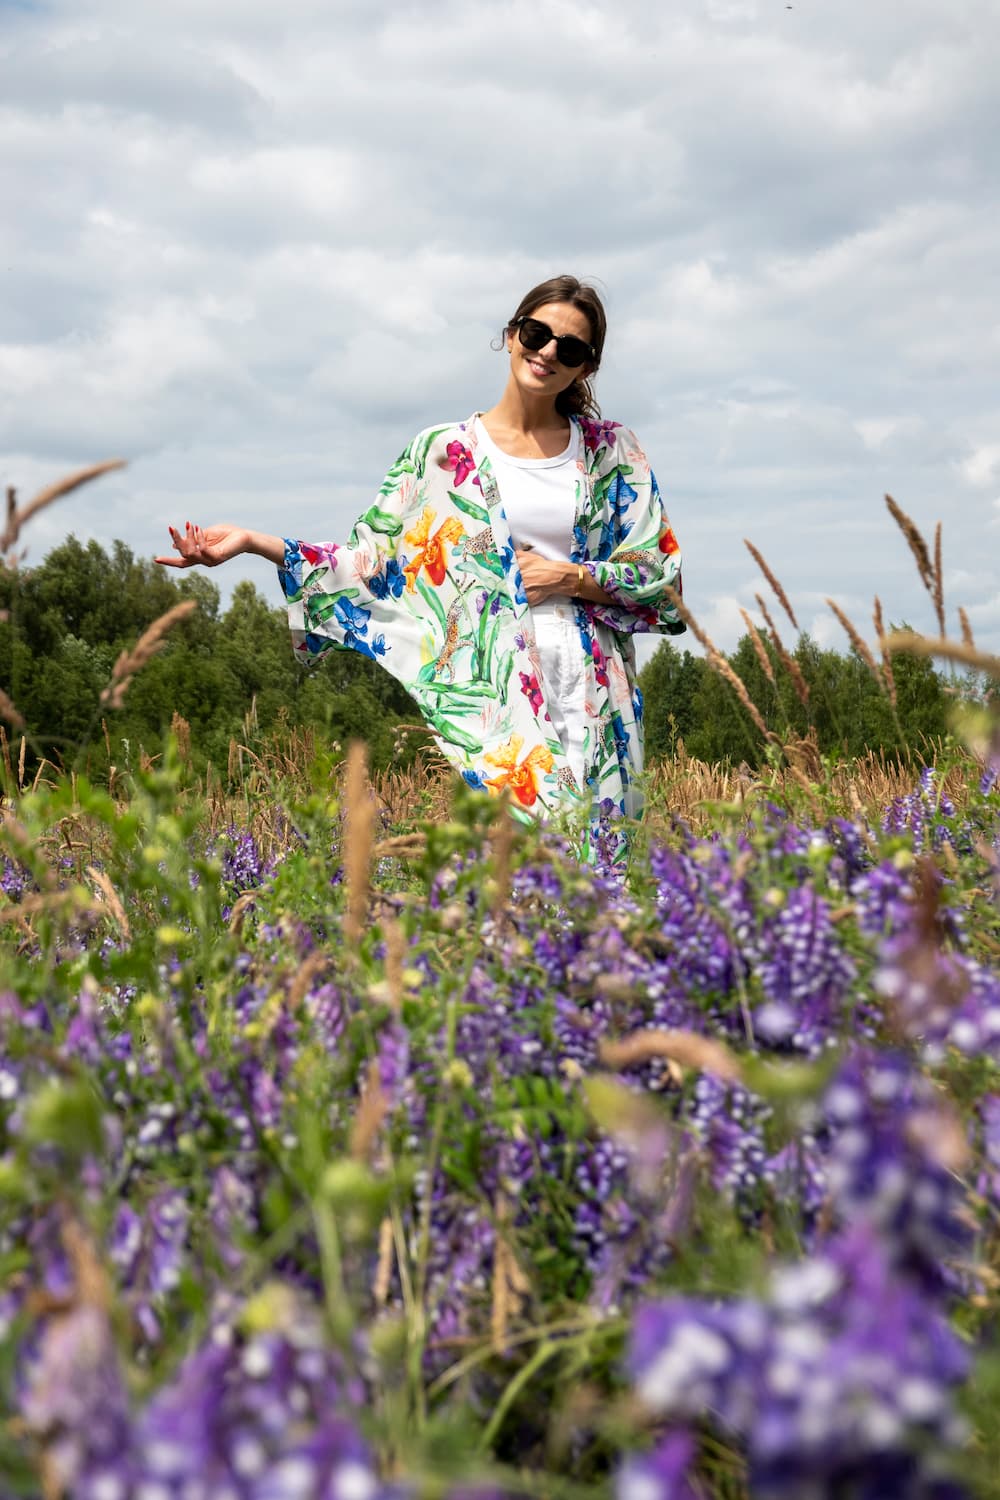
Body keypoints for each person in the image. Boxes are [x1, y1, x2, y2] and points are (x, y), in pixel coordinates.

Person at [156, 274, 685, 860]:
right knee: (521, 875)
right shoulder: (439, 452)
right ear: (511, 335)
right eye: (537, 333)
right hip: (490, 687)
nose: (549, 352)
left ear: (587, 367)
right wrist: (257, 542)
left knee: (609, 867)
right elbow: (372, 565)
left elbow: (661, 574)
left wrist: (568, 577)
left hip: (595, 685)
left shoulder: (613, 451)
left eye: (572, 347)